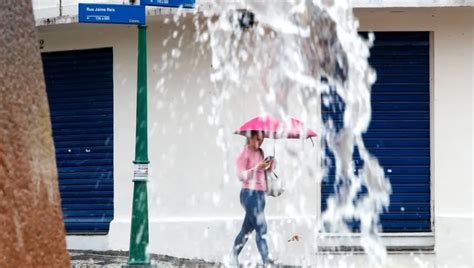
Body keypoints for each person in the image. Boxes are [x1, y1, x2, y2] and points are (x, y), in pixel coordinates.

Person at [231, 131, 276, 266]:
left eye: (262, 140)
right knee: (261, 227)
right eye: (257, 139)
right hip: (249, 195)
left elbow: (264, 172)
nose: (260, 143)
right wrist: (257, 167)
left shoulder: (260, 152)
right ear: (250, 138)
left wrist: (270, 165)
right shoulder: (243, 154)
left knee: (246, 230)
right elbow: (241, 176)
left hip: (260, 195)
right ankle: (266, 261)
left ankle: (232, 256)